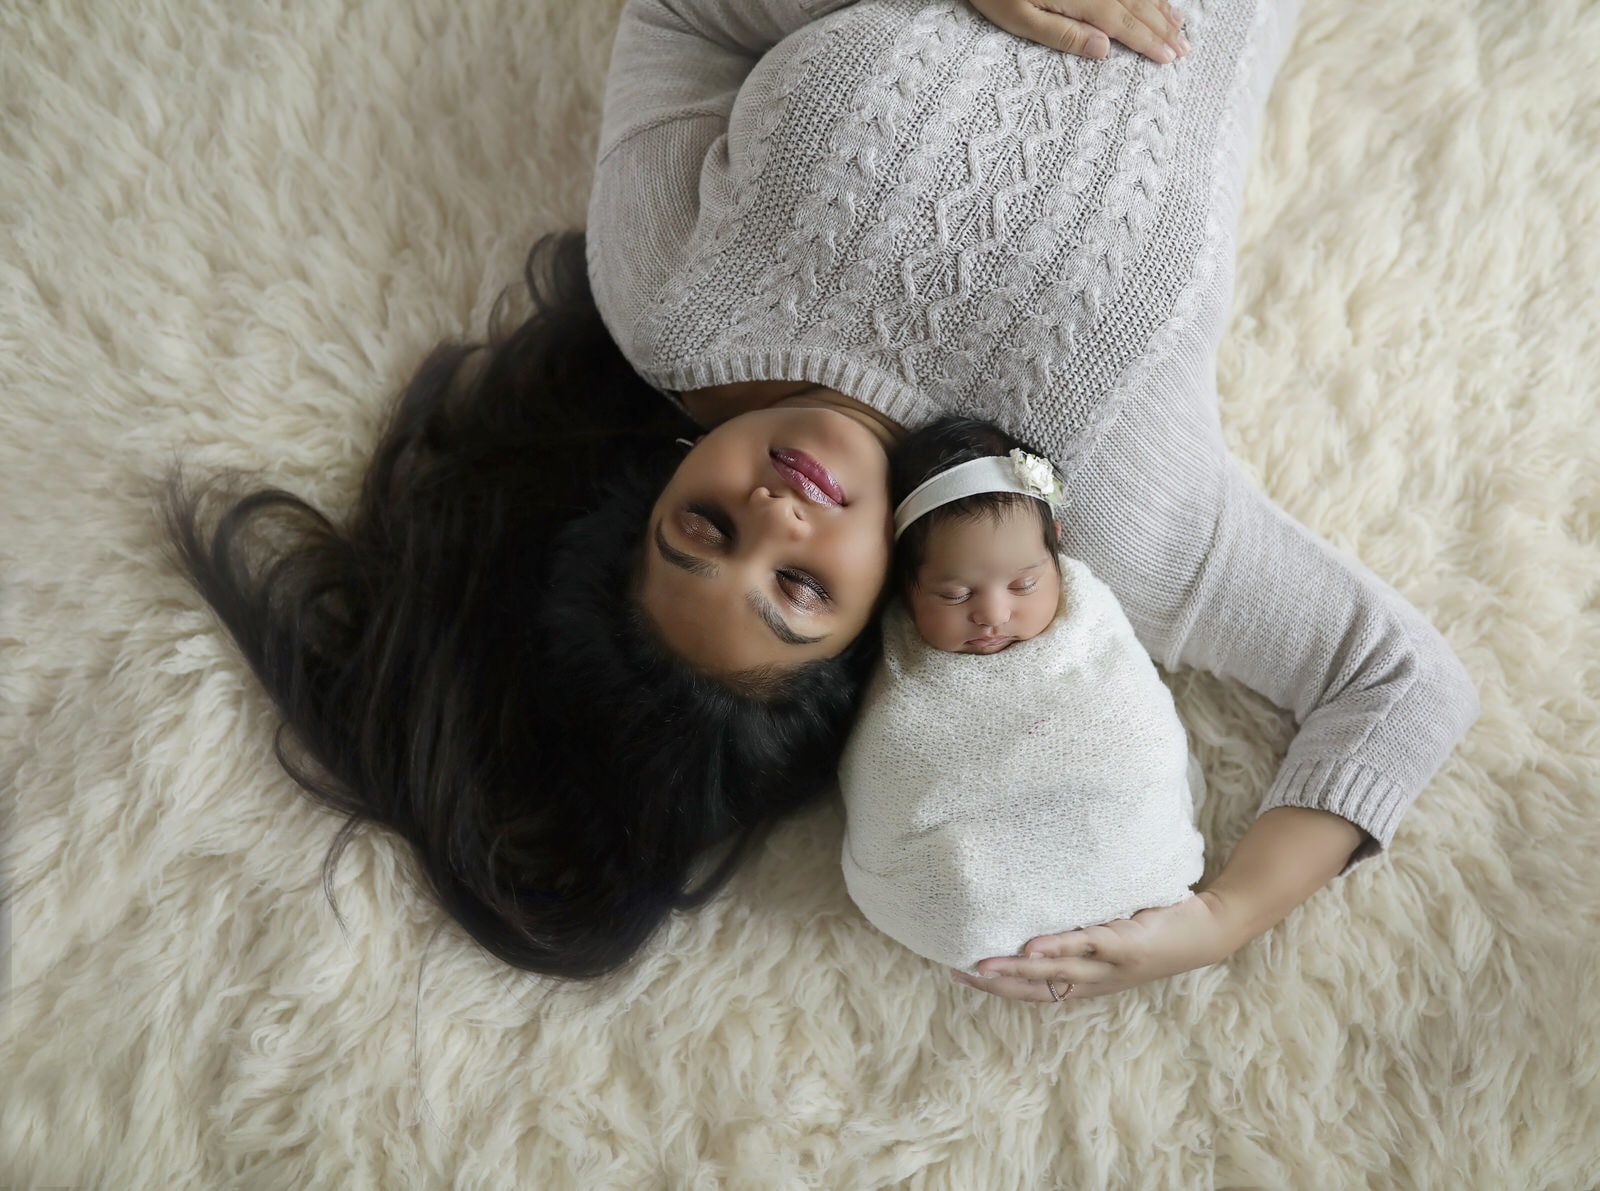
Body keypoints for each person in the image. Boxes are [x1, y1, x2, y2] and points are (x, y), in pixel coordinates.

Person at [167, 0, 1478, 999]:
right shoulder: (1093, 510)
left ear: (645, 497)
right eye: (796, 588)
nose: (779, 513)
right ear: (870, 637)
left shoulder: (667, 299)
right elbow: (1398, 685)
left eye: (705, 530)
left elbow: (684, 12)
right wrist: (1226, 914)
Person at [839, 417, 1206, 980]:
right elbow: (895, 767)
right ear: (905, 586)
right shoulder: (897, 665)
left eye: (1024, 585)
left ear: (1056, 548)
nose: (993, 613)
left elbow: (1136, 732)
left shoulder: (1087, 627)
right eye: (954, 593)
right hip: (965, 887)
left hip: (1111, 836)